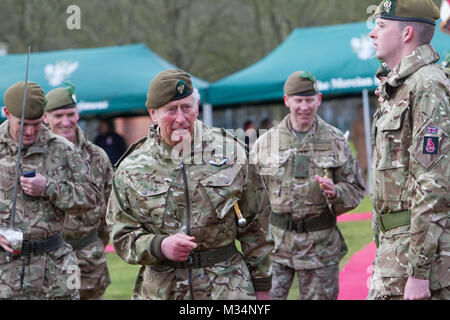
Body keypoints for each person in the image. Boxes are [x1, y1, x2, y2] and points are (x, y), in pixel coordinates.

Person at [106, 69, 273, 300]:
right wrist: (160, 245)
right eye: (171, 110)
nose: (181, 119)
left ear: (197, 107)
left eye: (187, 107)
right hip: (163, 290)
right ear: (153, 113)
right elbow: (121, 233)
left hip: (227, 288)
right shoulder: (132, 168)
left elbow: (257, 225)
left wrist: (262, 286)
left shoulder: (232, 153)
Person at [251, 71, 365, 300]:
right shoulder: (266, 142)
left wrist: (336, 192)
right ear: (286, 101)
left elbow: (356, 188)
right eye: (298, 100)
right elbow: (250, 192)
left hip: (320, 248)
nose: (304, 107)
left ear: (319, 100)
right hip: (276, 248)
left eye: (309, 100)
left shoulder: (335, 140)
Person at [368, 0, 450, 300]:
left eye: (381, 26)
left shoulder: (427, 85)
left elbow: (433, 184)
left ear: (407, 34)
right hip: (396, 252)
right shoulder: (400, 86)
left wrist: (417, 273)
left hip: (415, 258)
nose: (372, 34)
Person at [0, 81, 100, 299]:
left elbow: (92, 197)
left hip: (54, 271)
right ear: (7, 113)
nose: (30, 131)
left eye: (36, 124)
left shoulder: (62, 149)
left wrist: (49, 188)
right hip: (5, 274)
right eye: (23, 124)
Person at [43, 83, 112, 300]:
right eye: (58, 115)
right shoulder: (36, 156)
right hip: (49, 259)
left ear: (78, 114)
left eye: (70, 114)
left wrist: (97, 244)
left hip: (90, 259)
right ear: (45, 118)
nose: (66, 121)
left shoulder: (97, 156)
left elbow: (111, 207)